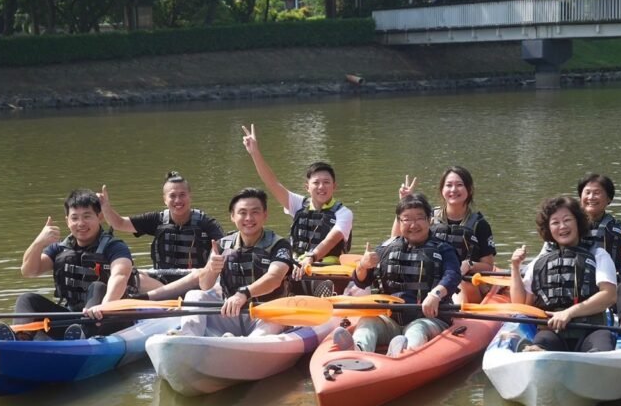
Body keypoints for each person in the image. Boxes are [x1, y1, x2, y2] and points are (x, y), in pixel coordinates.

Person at [0, 189, 137, 341]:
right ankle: (21, 337)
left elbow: (120, 275)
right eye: (74, 218)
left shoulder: (115, 247)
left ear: (99, 217)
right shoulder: (59, 249)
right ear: (67, 221)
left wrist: (105, 306)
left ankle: (83, 337)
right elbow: (29, 271)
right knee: (26, 299)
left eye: (87, 216)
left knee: (98, 286)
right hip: (72, 320)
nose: (80, 223)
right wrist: (38, 243)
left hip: (107, 317)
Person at [333, 194, 462, 357]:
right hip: (389, 320)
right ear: (399, 222)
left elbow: (453, 275)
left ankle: (401, 353)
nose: (413, 224)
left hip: (428, 318)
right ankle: (357, 351)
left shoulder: (443, 249)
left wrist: (435, 295)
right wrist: (363, 265)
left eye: (419, 218)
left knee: (417, 329)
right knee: (368, 321)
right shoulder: (385, 249)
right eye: (406, 219)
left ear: (429, 220)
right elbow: (360, 281)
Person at [241, 124, 354, 295]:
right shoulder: (297, 204)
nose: (321, 187)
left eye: (326, 182)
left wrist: (311, 257)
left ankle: (320, 295)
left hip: (326, 268)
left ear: (334, 186)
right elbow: (272, 183)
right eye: (316, 183)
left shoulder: (343, 213)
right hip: (296, 265)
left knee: (319, 281)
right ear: (307, 187)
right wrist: (255, 153)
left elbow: (330, 241)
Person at [175, 188, 294, 337]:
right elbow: (205, 285)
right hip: (230, 313)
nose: (249, 218)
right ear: (232, 216)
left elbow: (275, 279)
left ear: (265, 215)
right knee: (194, 295)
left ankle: (241, 344)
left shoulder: (279, 244)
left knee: (271, 324)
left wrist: (243, 293)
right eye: (242, 213)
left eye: (255, 212)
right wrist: (211, 269)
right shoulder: (221, 245)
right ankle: (188, 337)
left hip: (267, 314)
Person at [511, 196, 617, 353]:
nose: (562, 226)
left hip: (591, 330)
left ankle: (597, 363)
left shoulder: (598, 255)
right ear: (548, 228)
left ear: (578, 222)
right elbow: (520, 304)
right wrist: (515, 267)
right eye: (555, 222)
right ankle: (537, 355)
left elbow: (609, 296)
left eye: (567, 220)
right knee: (542, 342)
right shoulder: (539, 263)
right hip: (551, 332)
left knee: (602, 342)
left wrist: (568, 313)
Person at [97, 171, 225, 296]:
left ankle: (151, 297)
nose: (178, 200)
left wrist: (214, 259)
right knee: (129, 275)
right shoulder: (156, 219)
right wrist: (105, 206)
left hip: (196, 285)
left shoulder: (207, 223)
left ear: (190, 196)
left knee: (200, 274)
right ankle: (164, 295)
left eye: (182, 195)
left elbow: (222, 246)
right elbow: (119, 223)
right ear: (164, 199)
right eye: (172, 196)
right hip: (160, 284)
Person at [392, 167, 496, 304]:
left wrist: (469, 265)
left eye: (459, 185)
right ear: (442, 190)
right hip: (429, 276)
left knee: (459, 286)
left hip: (464, 280)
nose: (453, 190)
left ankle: (454, 317)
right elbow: (395, 241)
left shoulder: (480, 224)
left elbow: (488, 266)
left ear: (469, 190)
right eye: (449, 185)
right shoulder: (428, 218)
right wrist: (404, 204)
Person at [576, 173, 621, 323]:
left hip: (610, 284)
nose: (591, 197)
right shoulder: (567, 227)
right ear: (580, 197)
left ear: (608, 199)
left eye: (597, 193)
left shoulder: (620, 230)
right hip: (578, 280)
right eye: (587, 192)